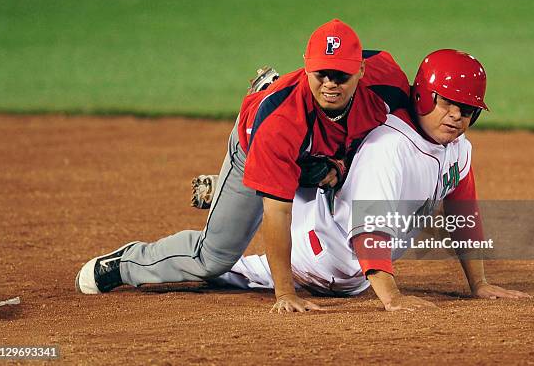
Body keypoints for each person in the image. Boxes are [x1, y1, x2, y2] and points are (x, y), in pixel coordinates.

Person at [75, 19, 411, 313]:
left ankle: (259, 183)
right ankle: (127, 262)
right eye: (321, 73)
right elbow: (277, 214)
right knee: (212, 259)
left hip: (318, 152)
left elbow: (418, 131)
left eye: (342, 75)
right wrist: (285, 292)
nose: (330, 84)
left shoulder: (388, 81)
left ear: (362, 70)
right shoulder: (280, 123)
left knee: (354, 165)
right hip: (256, 146)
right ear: (307, 67)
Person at [207, 49, 531, 311]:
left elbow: (463, 213)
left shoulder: (459, 149)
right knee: (300, 178)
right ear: (423, 96)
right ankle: (267, 113)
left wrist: (480, 284)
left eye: (468, 109)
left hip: (356, 274)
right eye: (447, 102)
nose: (456, 116)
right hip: (315, 252)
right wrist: (392, 297)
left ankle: (264, 184)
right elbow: (370, 227)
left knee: (330, 176)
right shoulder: (389, 147)